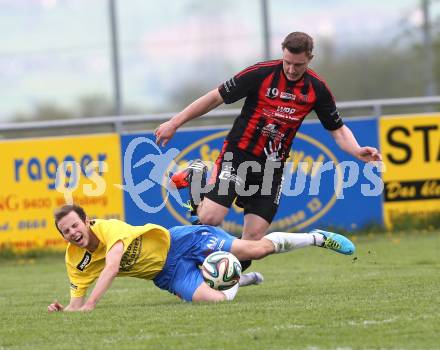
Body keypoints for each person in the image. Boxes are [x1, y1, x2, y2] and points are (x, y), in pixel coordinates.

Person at [154, 31, 382, 247]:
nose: (291, 70)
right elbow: (215, 97)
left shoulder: (316, 89)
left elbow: (338, 129)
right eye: (287, 62)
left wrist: (357, 150)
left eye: (298, 64)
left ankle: (222, 281)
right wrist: (175, 122)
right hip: (238, 156)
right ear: (282, 52)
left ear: (310, 58)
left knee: (252, 241)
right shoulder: (261, 73)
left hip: (271, 168)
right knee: (211, 218)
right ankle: (198, 178)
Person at [47, 204, 355, 312]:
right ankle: (234, 278)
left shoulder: (108, 227)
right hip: (166, 275)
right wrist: (65, 310)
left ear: (86, 221)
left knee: (255, 249)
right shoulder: (75, 261)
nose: (72, 232)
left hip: (181, 242)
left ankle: (317, 237)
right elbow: (76, 301)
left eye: (75, 225)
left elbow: (112, 266)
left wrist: (91, 306)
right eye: (65, 231)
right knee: (216, 303)